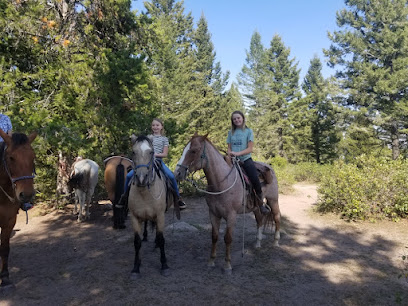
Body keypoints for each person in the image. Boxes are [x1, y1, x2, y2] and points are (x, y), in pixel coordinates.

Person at [120, 118, 186, 210]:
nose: (155, 127)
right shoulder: (148, 138)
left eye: (157, 125)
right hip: (145, 163)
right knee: (128, 176)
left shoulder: (164, 139)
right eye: (153, 125)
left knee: (171, 176)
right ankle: (124, 197)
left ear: (161, 127)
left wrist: (154, 155)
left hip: (158, 161)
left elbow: (165, 154)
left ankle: (178, 198)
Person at [227, 110, 270, 215]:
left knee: (254, 179)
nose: (237, 120)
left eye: (238, 118)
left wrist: (237, 154)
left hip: (245, 159)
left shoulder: (248, 131)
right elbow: (228, 148)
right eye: (234, 119)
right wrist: (230, 154)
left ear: (242, 118)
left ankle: (260, 203)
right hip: (233, 161)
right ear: (232, 121)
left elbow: (250, 149)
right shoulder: (230, 133)